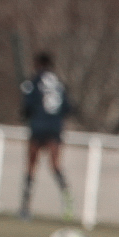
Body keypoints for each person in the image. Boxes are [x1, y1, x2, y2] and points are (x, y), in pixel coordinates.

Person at [19, 52, 75, 221]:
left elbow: (26, 107)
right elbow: (68, 107)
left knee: (31, 166)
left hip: (38, 127)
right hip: (55, 129)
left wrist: (28, 115)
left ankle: (25, 208)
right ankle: (68, 203)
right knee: (56, 166)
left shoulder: (33, 81)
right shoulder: (59, 83)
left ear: (37, 64)